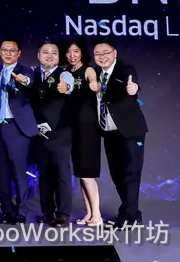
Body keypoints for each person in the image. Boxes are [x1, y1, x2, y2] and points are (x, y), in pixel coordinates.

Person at [91, 40, 148, 229]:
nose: (102, 57)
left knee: (131, 173)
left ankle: (127, 216)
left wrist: (134, 88)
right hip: (109, 132)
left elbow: (131, 85)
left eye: (105, 52)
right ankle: (132, 214)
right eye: (97, 54)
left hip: (130, 131)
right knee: (117, 175)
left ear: (114, 53)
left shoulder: (125, 69)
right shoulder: (94, 73)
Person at [0, 39, 39, 224]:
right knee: (2, 172)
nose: (8, 53)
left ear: (19, 53)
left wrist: (23, 80)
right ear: (0, 51)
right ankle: (6, 210)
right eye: (5, 50)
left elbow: (29, 81)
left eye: (12, 50)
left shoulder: (26, 70)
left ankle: (22, 210)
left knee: (19, 171)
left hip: (16, 127)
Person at [30, 40, 74, 227]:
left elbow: (69, 84)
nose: (49, 55)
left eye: (54, 52)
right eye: (45, 52)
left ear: (59, 56)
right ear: (38, 55)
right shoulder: (32, 75)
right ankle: (47, 212)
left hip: (60, 132)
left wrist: (67, 88)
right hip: (39, 133)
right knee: (44, 173)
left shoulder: (64, 74)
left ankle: (63, 214)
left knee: (62, 173)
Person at [66, 39, 103, 226]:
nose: (72, 55)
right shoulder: (67, 73)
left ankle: (97, 215)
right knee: (81, 173)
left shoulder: (88, 70)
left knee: (87, 173)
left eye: (76, 51)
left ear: (82, 53)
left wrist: (95, 85)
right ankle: (89, 214)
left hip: (88, 127)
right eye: (69, 52)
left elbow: (94, 81)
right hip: (74, 127)